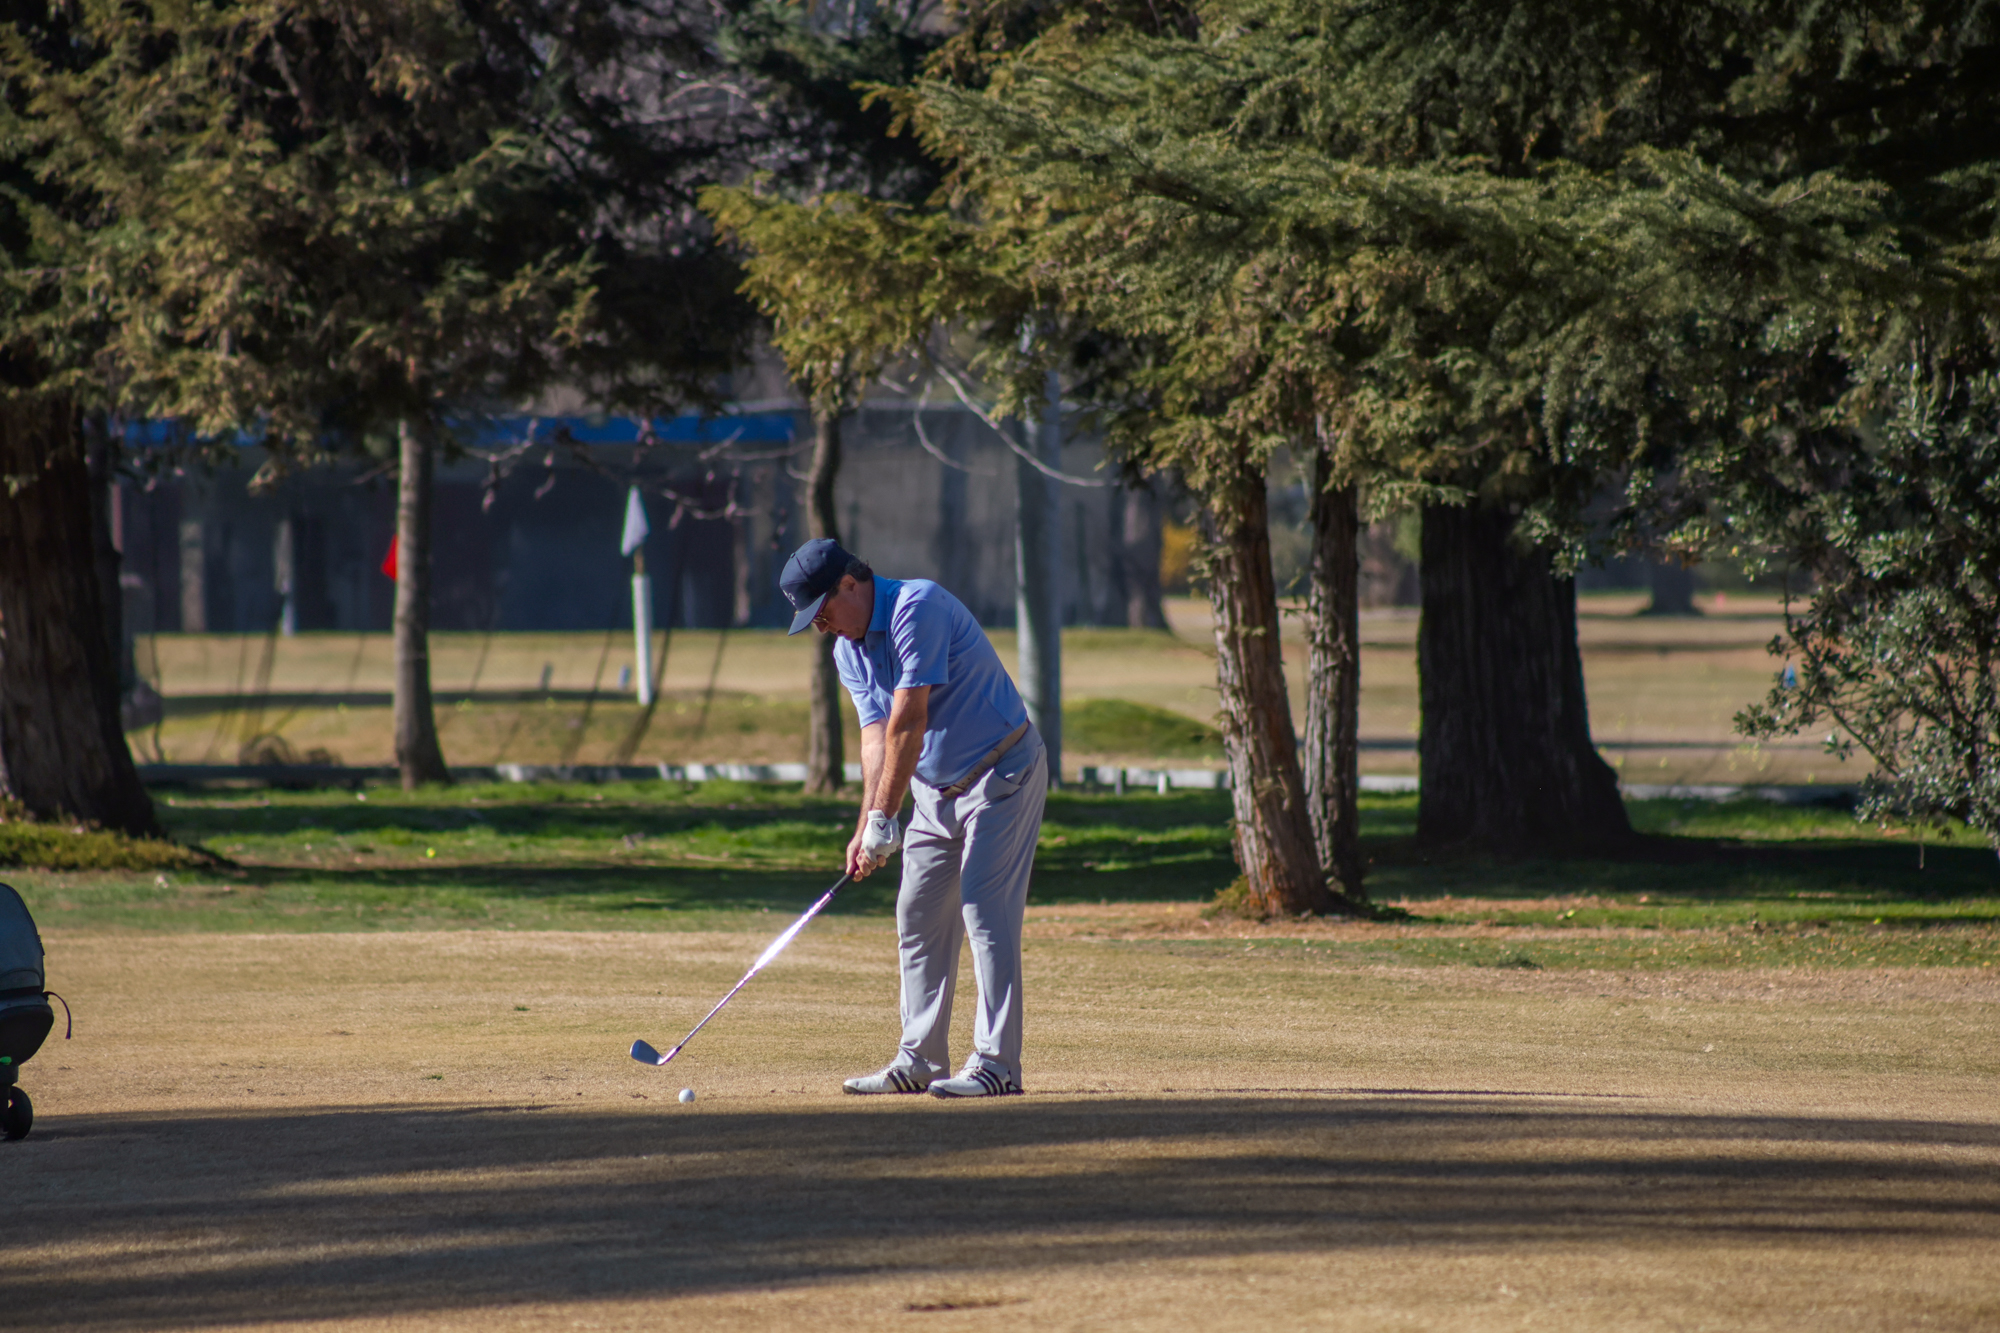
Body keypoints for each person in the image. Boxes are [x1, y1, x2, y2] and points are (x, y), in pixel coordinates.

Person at [780, 537, 1047, 1098]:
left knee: (984, 910)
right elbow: (876, 738)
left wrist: (886, 815)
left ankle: (997, 1066)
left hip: (1001, 773)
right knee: (918, 913)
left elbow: (909, 718)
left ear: (849, 584)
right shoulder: (848, 651)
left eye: (822, 612)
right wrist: (868, 825)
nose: (823, 627)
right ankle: (920, 1060)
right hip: (932, 790)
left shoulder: (916, 606)